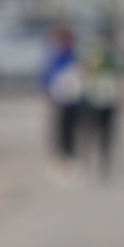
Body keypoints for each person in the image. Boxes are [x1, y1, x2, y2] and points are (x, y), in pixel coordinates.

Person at [40, 25, 84, 181]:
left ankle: (69, 160)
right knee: (59, 131)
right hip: (59, 99)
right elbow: (46, 78)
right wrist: (49, 97)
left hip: (73, 100)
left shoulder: (73, 55)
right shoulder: (55, 56)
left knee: (70, 131)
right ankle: (60, 161)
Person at [78, 34, 122, 181]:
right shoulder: (92, 61)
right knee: (97, 135)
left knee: (100, 135)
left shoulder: (109, 61)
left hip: (103, 102)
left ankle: (100, 164)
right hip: (94, 102)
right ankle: (94, 164)